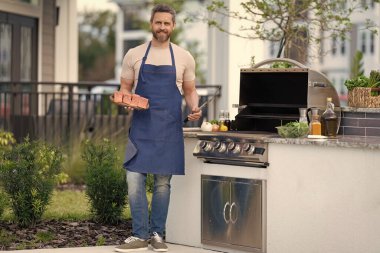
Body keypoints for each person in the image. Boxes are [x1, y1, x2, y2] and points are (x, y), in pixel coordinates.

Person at [114, 4, 201, 253]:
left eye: (167, 23)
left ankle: (157, 235)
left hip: (168, 128)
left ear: (173, 26)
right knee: (134, 179)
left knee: (163, 184)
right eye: (158, 22)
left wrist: (195, 108)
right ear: (151, 24)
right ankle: (139, 235)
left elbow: (190, 91)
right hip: (141, 127)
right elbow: (125, 88)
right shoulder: (134, 54)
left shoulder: (184, 57)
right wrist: (126, 101)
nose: (162, 27)